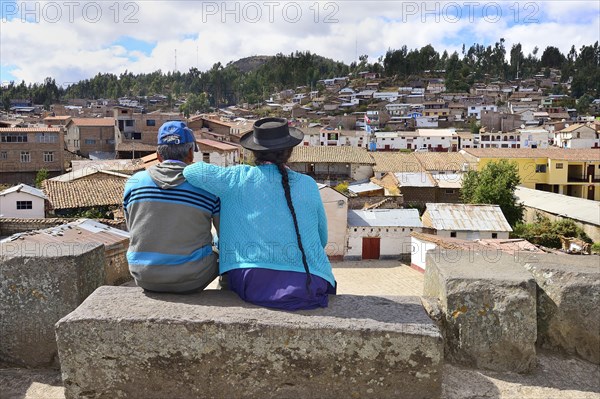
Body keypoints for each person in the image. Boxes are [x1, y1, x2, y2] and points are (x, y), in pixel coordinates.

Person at [183, 117, 336, 310]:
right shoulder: (308, 184)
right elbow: (322, 239)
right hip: (309, 279)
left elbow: (192, 171)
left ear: (254, 152)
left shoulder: (235, 178)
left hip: (249, 280)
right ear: (289, 152)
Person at [123, 121, 221, 293]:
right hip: (193, 278)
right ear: (190, 154)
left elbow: (132, 226)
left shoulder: (134, 182)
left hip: (143, 276)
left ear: (158, 156)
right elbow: (224, 234)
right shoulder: (207, 188)